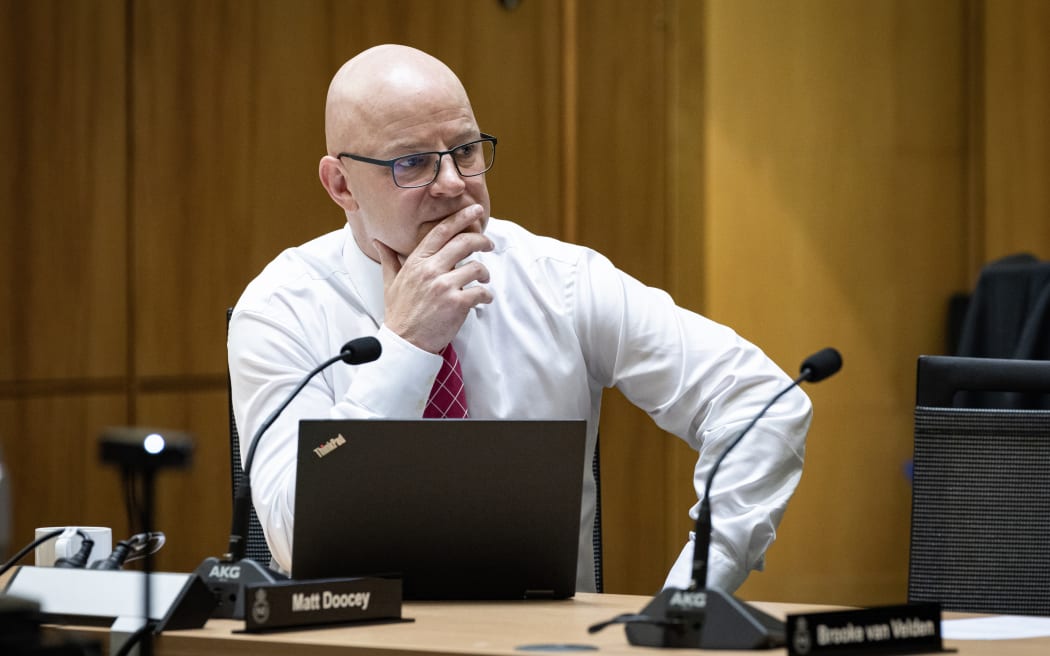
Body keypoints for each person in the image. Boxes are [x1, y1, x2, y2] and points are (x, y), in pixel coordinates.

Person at [228, 43, 812, 594]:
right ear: (341, 184)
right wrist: (406, 346)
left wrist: (696, 593)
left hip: (538, 644)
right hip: (357, 643)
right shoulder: (281, 309)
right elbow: (294, 537)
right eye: (412, 163)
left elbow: (763, 401)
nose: (455, 185)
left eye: (464, 151)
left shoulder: (557, 280)